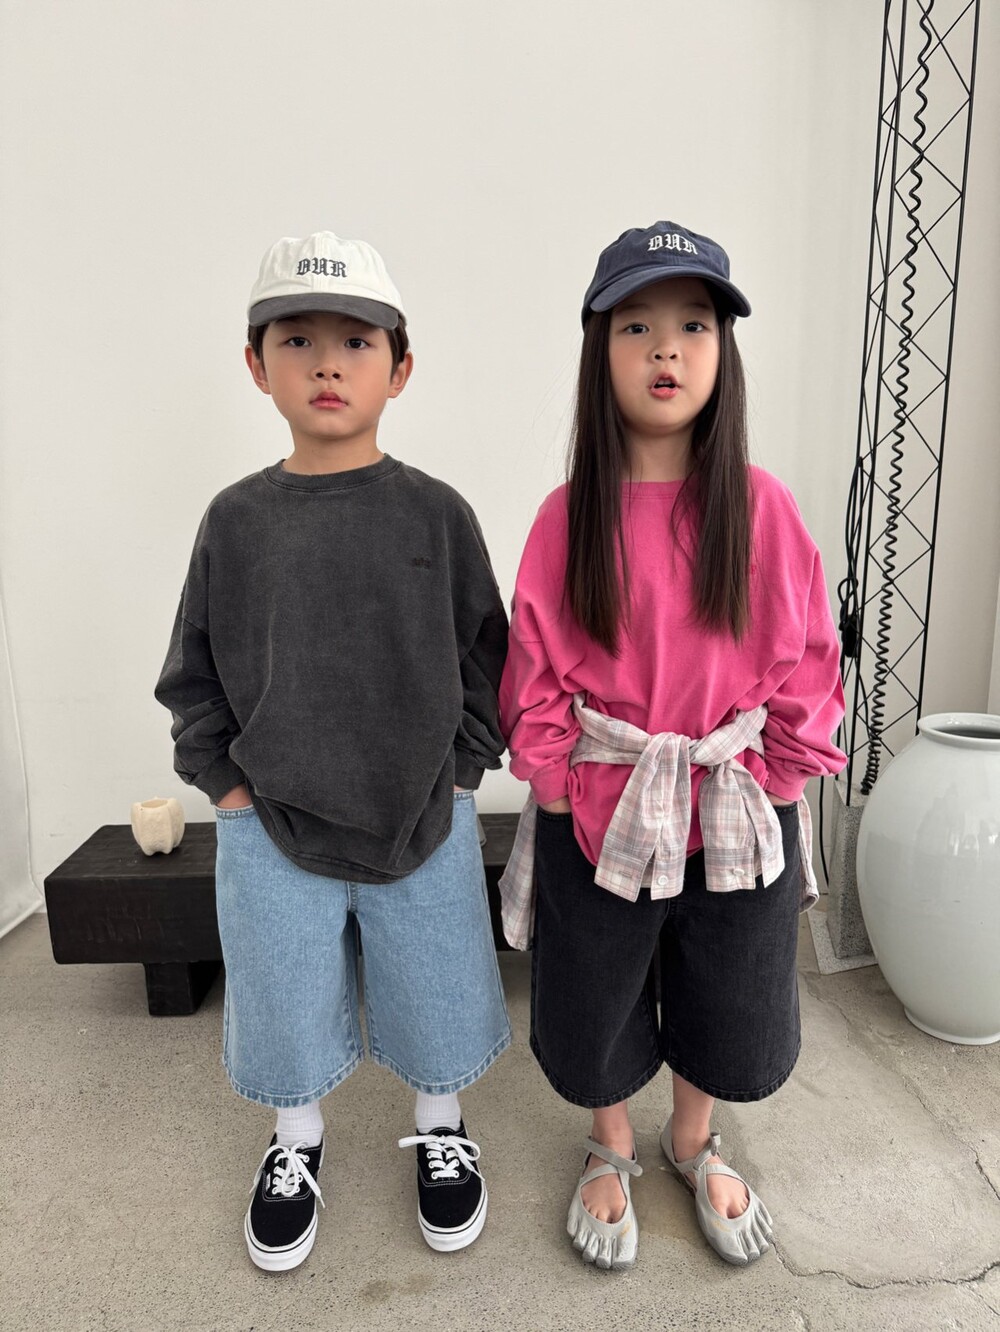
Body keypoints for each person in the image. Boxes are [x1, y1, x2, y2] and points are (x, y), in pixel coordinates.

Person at [156, 231, 511, 1271]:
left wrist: (461, 771)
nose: (326, 363)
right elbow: (194, 668)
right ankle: (295, 1138)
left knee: (435, 984)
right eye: (297, 339)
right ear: (255, 364)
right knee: (282, 994)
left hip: (421, 806)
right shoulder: (236, 520)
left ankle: (440, 1124)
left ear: (399, 369)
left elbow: (487, 657)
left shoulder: (436, 513)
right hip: (268, 814)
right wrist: (224, 786)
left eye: (356, 342)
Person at [498, 220, 846, 1272]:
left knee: (729, 987)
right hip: (600, 810)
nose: (666, 348)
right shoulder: (569, 515)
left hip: (734, 800)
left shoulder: (762, 506)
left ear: (722, 350)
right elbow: (533, 658)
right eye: (636, 325)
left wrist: (782, 773)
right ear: (598, 350)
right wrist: (551, 784)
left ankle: (692, 1137)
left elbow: (811, 653)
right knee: (594, 987)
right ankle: (610, 1141)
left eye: (694, 325)